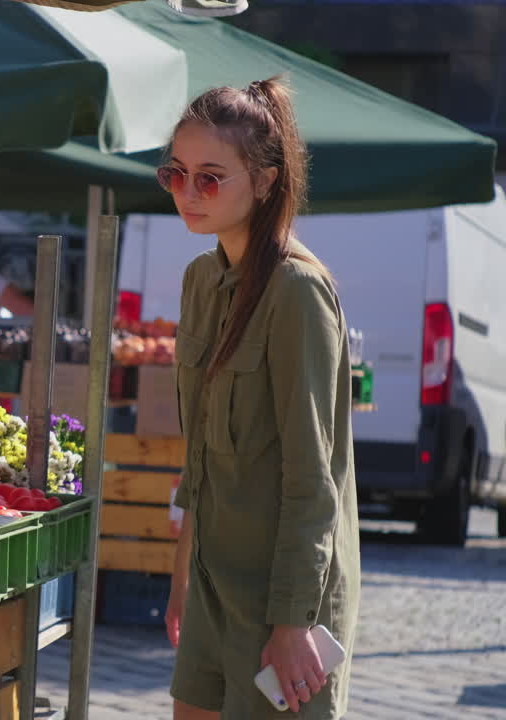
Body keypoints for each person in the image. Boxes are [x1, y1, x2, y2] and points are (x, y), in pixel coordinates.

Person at [162, 76, 361, 720]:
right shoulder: (200, 279)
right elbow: (199, 461)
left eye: (211, 177)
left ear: (268, 181)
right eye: (176, 173)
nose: (189, 193)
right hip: (214, 581)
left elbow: (314, 478)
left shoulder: (297, 292)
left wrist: (292, 620)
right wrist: (181, 577)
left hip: (284, 598)